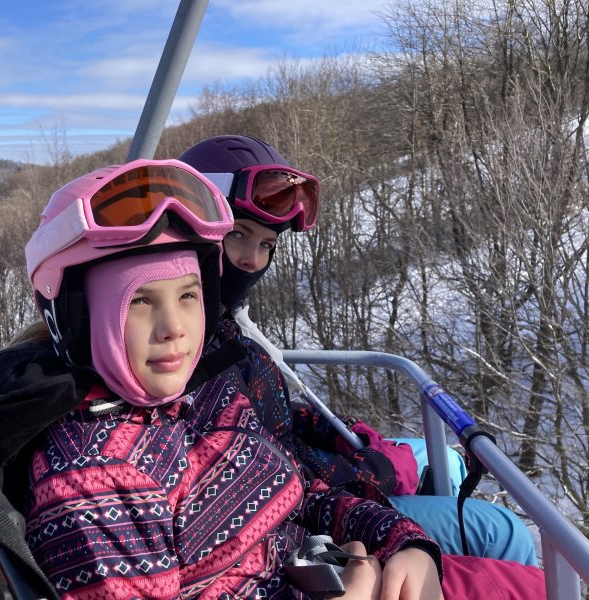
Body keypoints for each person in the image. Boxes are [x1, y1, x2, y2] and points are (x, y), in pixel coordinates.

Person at [0, 158, 545, 599]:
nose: (174, 328)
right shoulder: (97, 482)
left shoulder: (204, 392)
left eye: (187, 296)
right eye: (140, 301)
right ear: (77, 317)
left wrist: (404, 542)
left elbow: (300, 490)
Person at [177, 134, 538, 566]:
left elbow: (268, 413)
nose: (253, 260)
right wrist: (375, 469)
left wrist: (336, 430)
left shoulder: (224, 330)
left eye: (267, 244)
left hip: (319, 487)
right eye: (238, 234)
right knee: (501, 531)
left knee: (441, 458)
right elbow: (267, 471)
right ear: (193, 231)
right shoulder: (186, 353)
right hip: (307, 520)